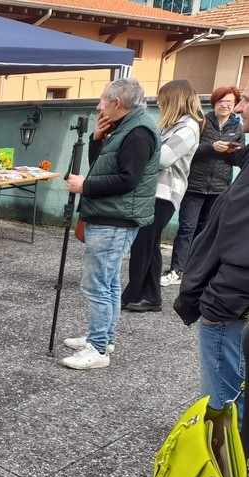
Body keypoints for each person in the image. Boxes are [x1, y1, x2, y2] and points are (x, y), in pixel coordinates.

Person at [62, 78, 161, 370]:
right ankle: (103, 336)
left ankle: (98, 349)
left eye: (103, 100)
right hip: (112, 215)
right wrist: (96, 140)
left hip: (114, 218)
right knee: (109, 282)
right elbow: (104, 165)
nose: (98, 105)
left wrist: (85, 186)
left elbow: (128, 179)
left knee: (97, 284)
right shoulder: (124, 128)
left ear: (117, 102)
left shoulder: (138, 133)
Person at [174, 81, 249, 421]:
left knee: (223, 404)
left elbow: (242, 245)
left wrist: (217, 304)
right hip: (199, 185)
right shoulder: (206, 124)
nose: (239, 108)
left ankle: (224, 456)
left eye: (245, 101)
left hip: (229, 304)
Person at [121, 79, 202, 312]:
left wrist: (137, 153)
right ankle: (151, 297)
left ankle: (133, 293)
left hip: (164, 193)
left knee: (143, 244)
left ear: (175, 100)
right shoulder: (171, 125)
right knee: (149, 244)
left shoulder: (188, 128)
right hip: (155, 191)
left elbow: (163, 158)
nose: (159, 103)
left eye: (163, 99)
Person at [162, 85, 244, 287]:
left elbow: (237, 161)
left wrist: (234, 152)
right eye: (220, 101)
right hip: (195, 185)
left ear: (234, 105)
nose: (224, 106)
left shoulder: (237, 127)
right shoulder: (202, 122)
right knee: (187, 228)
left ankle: (194, 270)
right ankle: (177, 269)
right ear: (214, 103)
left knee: (205, 230)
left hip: (219, 187)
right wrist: (211, 147)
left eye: (229, 102)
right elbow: (188, 150)